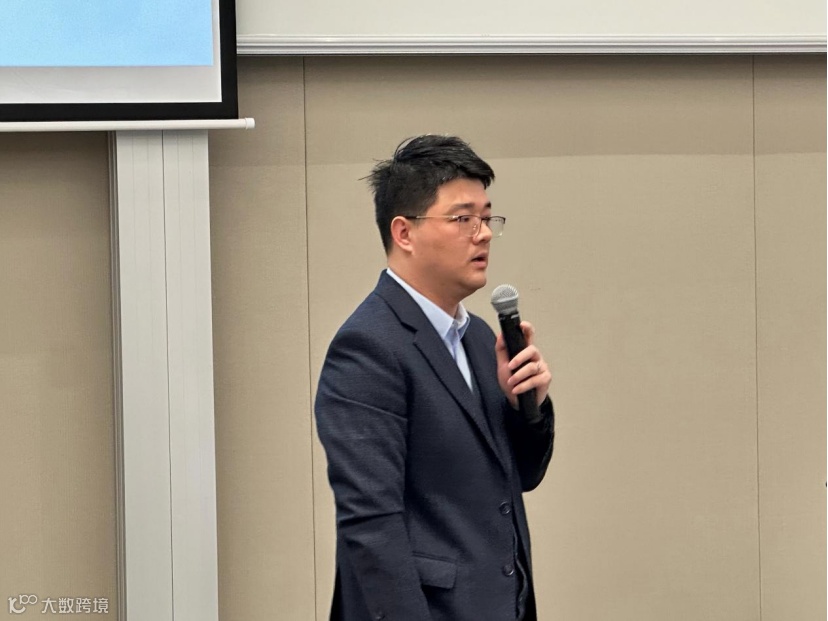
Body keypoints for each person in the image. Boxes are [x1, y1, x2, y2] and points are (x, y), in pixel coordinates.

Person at [315, 135, 555, 621]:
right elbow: (371, 526)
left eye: (487, 218)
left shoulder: (478, 336)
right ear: (404, 232)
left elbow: (520, 478)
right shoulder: (367, 347)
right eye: (463, 219)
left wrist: (525, 409)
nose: (483, 234)